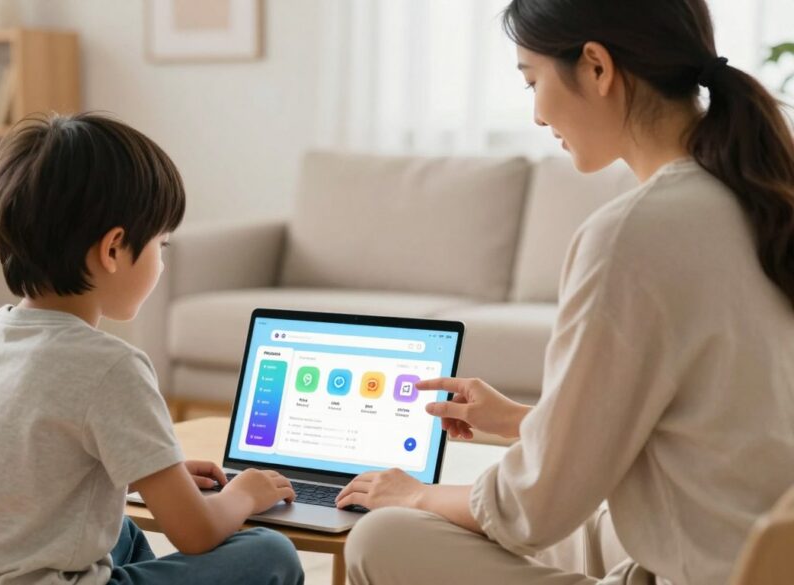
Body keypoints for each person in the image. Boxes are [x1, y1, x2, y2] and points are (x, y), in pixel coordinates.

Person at [335, 1, 794, 583]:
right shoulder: (762, 193)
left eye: (533, 80)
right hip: (760, 556)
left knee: (384, 535)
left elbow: (531, 511)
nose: (535, 114)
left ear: (597, 67)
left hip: (704, 572)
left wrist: (416, 494)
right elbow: (717, 431)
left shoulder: (633, 232)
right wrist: (529, 422)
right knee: (601, 515)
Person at [0, 112, 304, 585]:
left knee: (119, 529)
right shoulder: (113, 367)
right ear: (114, 249)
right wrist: (247, 493)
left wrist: (143, 471)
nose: (161, 261)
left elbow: (5, 466)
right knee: (269, 553)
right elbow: (196, 534)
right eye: (162, 244)